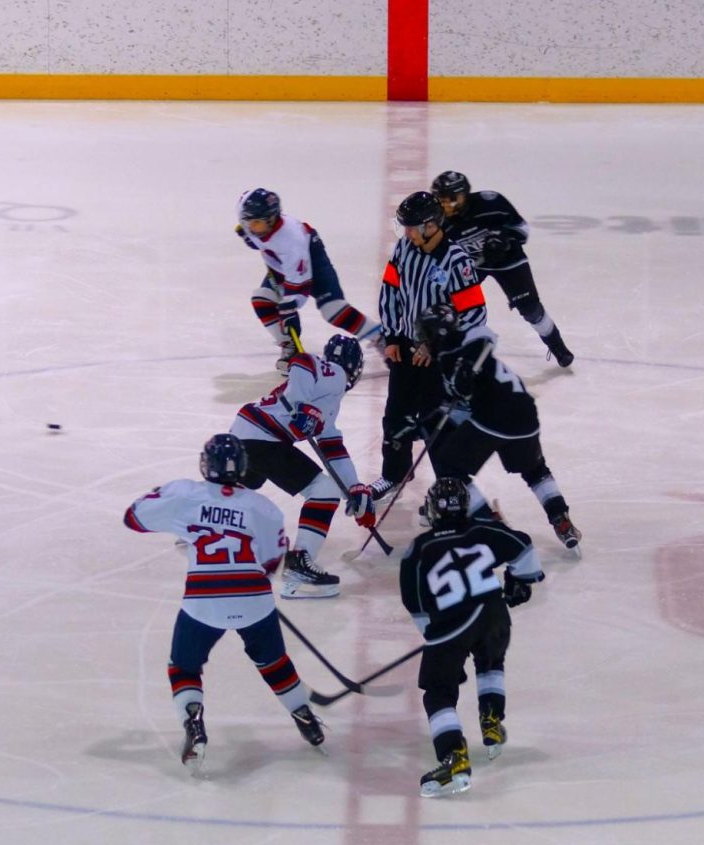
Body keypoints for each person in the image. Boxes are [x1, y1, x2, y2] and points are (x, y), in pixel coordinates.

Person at [124, 433, 326, 773]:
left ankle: (194, 724)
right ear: (244, 467)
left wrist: (189, 527)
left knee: (183, 667)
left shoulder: (184, 494)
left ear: (206, 464)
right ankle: (304, 715)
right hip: (254, 598)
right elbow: (272, 562)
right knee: (273, 661)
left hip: (204, 600)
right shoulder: (264, 507)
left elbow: (133, 518)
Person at [399, 477, 545, 797]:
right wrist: (520, 580)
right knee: (490, 662)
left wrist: (435, 637)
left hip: (451, 624)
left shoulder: (419, 548)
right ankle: (491, 720)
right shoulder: (481, 530)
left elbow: (414, 601)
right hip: (494, 615)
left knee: (438, 690)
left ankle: (454, 757)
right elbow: (523, 545)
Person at [416, 303, 583, 551]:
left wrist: (467, 365)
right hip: (526, 418)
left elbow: (485, 337)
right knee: (534, 469)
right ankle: (560, 517)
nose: (422, 340)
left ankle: (485, 518)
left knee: (450, 467)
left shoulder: (463, 344)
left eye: (425, 334)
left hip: (495, 419)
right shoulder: (447, 356)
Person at [367, 190, 494, 505]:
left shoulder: (457, 261)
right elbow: (391, 292)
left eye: (412, 227)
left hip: (439, 359)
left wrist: (437, 345)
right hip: (407, 350)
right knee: (395, 415)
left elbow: (474, 313)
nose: (407, 233)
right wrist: (394, 336)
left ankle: (448, 488)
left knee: (434, 424)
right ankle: (394, 474)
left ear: (431, 225)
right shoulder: (404, 250)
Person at [228, 334, 376, 597]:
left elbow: (333, 447)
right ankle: (300, 563)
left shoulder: (330, 400)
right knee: (324, 492)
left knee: (246, 483)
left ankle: (207, 521)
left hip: (246, 432)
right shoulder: (336, 376)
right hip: (263, 437)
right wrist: (299, 405)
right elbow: (303, 362)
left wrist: (354, 488)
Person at [430, 171, 574, 367]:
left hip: (508, 261)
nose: (445, 205)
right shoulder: (438, 224)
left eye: (450, 199)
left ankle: (558, 347)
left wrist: (503, 239)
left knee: (530, 308)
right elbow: (435, 262)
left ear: (464, 195)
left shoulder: (492, 203)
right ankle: (445, 353)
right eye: (441, 200)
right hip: (470, 268)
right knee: (446, 307)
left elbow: (522, 230)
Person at [235, 188, 383, 372]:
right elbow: (256, 238)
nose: (257, 227)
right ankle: (290, 347)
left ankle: (381, 337)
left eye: (262, 222)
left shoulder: (291, 241)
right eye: (253, 223)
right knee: (262, 300)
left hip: (312, 261)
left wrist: (289, 309)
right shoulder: (254, 229)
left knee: (333, 310)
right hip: (282, 267)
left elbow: (300, 288)